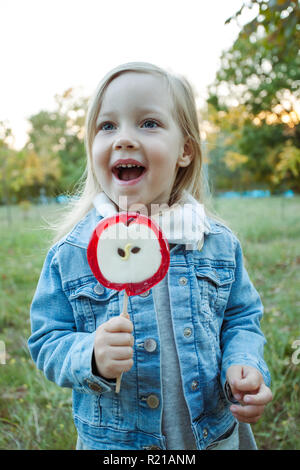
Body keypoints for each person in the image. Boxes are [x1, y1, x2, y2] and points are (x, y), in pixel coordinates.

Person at [28, 62, 272, 450]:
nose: (123, 138)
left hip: (210, 437)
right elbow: (46, 339)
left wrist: (244, 365)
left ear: (186, 151)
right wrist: (90, 354)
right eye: (107, 126)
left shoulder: (215, 243)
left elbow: (241, 319)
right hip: (117, 446)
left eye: (148, 123)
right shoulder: (71, 253)